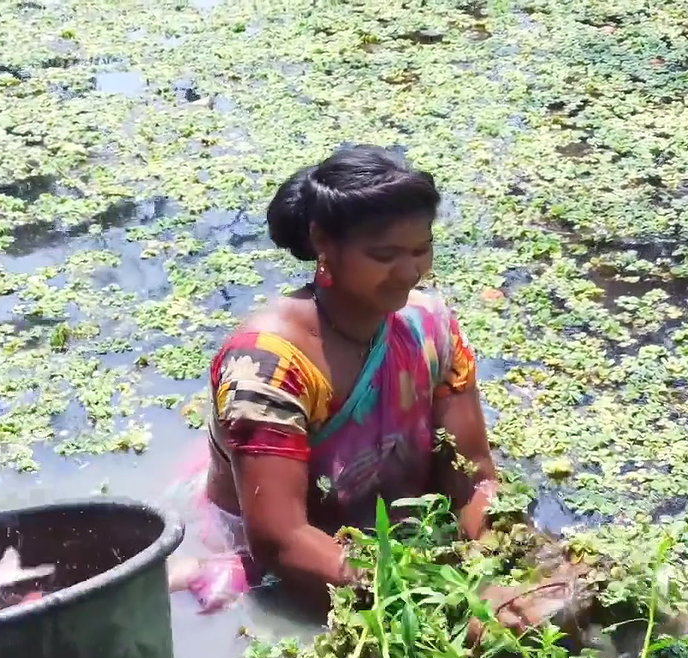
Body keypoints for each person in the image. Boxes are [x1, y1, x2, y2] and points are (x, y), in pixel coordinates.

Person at [166, 145, 499, 613]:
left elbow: (474, 476)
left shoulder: (430, 327)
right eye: (383, 254)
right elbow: (283, 542)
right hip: (280, 555)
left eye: (421, 250)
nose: (409, 273)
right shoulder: (267, 366)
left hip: (391, 534)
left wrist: (491, 563)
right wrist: (432, 599)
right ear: (324, 242)